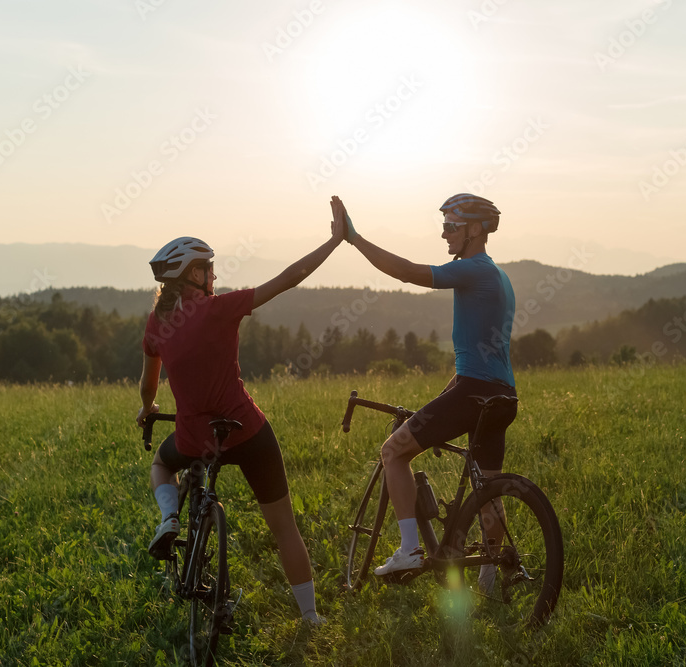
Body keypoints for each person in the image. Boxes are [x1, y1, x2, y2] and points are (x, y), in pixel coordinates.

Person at [136, 215, 344, 625]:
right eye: (209, 267)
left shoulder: (159, 323)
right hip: (246, 432)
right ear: (194, 274)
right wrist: (334, 241)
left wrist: (149, 407)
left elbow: (148, 384)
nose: (215, 274)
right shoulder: (220, 309)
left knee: (162, 463)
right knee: (284, 526)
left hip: (196, 440)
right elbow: (289, 278)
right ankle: (310, 615)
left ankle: (169, 518)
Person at [330, 193, 518, 587]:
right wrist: (443, 397)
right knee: (487, 485)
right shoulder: (499, 277)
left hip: (474, 393)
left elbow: (408, 272)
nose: (445, 233)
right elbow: (484, 359)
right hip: (502, 395)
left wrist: (355, 238)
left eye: (452, 226)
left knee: (393, 452)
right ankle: (489, 575)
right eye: (444, 225)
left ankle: (410, 549)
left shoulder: (473, 269)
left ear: (475, 230)